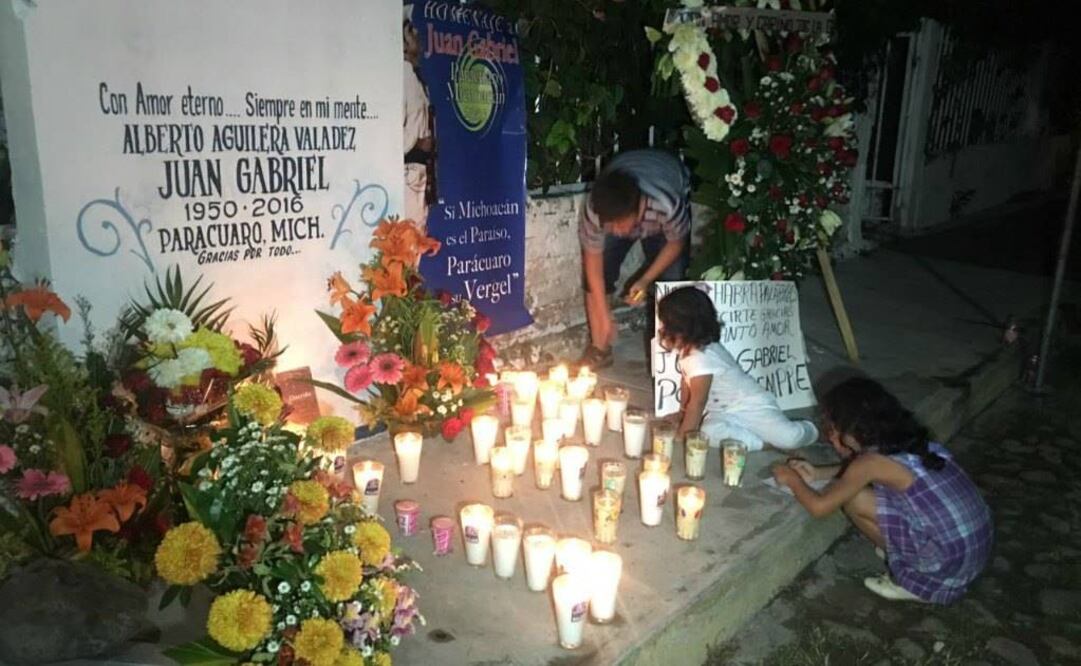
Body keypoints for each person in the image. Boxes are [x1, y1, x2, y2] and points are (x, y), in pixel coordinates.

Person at [773, 376, 993, 604]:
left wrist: (791, 479)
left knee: (855, 499)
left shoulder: (869, 463)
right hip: (971, 553)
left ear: (849, 429)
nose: (831, 435)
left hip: (943, 567)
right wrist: (818, 473)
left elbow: (820, 507)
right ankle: (907, 554)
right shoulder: (909, 441)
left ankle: (909, 580)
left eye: (833, 426)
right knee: (864, 492)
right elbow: (868, 471)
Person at [658, 286, 818, 450]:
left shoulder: (701, 357)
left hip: (751, 405)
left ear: (680, 327)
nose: (662, 328)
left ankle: (812, 430)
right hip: (723, 412)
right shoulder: (692, 348)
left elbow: (698, 402)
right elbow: (687, 382)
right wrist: (682, 413)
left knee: (789, 438)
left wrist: (683, 434)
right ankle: (763, 444)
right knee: (708, 433)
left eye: (666, 324)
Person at [578, 149, 692, 368]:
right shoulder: (595, 209)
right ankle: (599, 349)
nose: (618, 232)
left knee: (672, 282)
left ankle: (672, 357)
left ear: (639, 207)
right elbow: (594, 266)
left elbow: (676, 243)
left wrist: (645, 280)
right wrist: (604, 316)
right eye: (611, 226)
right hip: (627, 173)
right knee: (600, 273)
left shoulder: (667, 204)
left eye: (622, 224)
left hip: (667, 176)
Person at [403, 16, 434, 232]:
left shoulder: (415, 75)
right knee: (408, 244)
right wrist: (417, 144)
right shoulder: (403, 75)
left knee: (418, 240)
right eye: (411, 31)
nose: (417, 36)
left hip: (419, 172)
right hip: (408, 172)